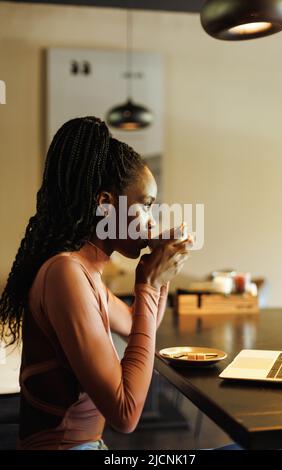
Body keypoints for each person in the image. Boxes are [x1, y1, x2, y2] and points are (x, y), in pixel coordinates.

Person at [0, 116, 193, 450]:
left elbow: (138, 325)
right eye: (145, 206)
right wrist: (146, 284)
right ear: (104, 204)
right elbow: (125, 413)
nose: (151, 221)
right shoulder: (65, 274)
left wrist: (157, 275)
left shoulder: (83, 273)